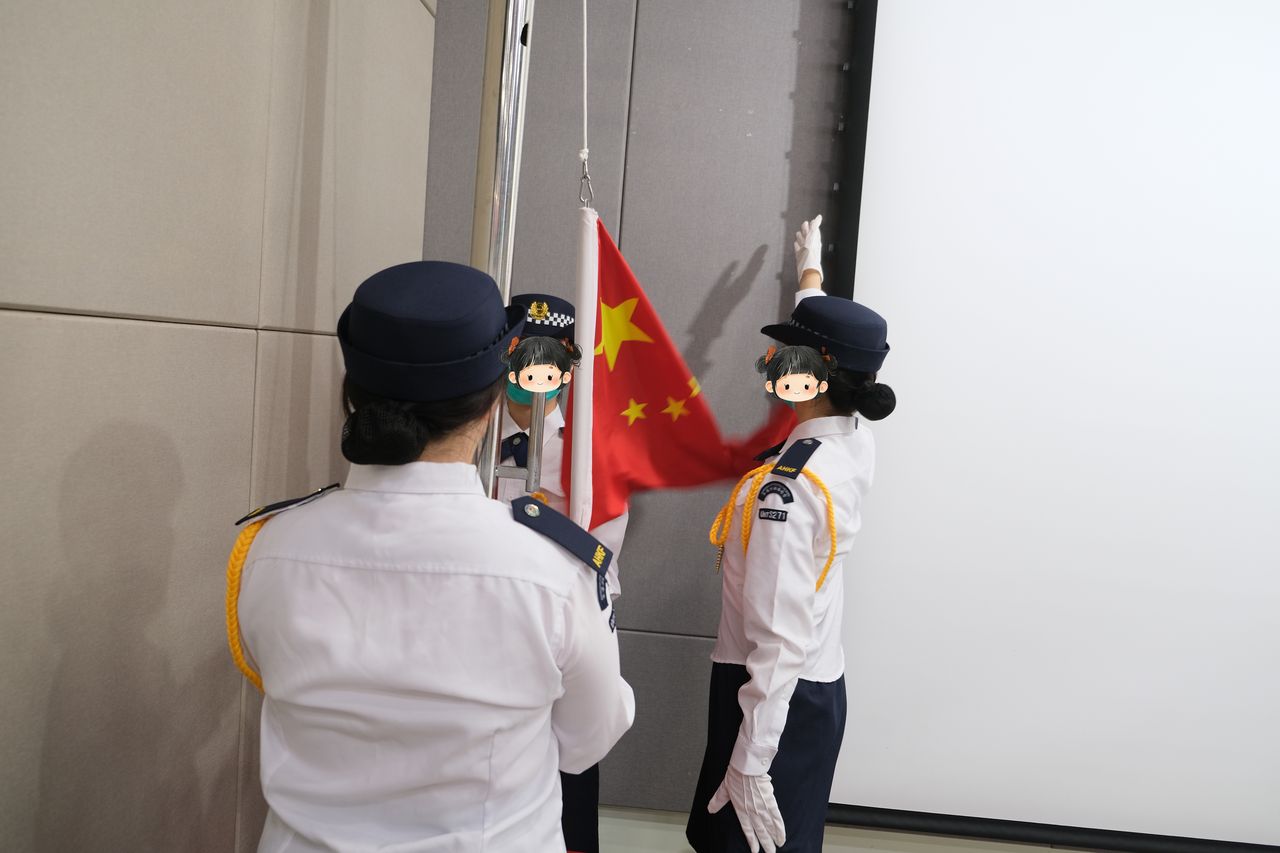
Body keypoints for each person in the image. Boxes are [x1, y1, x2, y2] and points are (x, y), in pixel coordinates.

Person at [226, 261, 635, 853]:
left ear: (352, 395)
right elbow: (588, 739)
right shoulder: (552, 570)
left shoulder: (268, 547)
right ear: (491, 401)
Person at [686, 216, 897, 853]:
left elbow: (778, 636)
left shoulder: (789, 489)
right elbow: (834, 351)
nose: (775, 363)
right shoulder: (853, 437)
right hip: (809, 691)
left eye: (788, 355)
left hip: (770, 697)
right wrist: (811, 275)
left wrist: (752, 760)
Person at [495, 292, 631, 853]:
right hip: (483, 637)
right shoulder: (469, 440)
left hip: (555, 638)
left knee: (565, 783)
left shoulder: (591, 458)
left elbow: (596, 562)